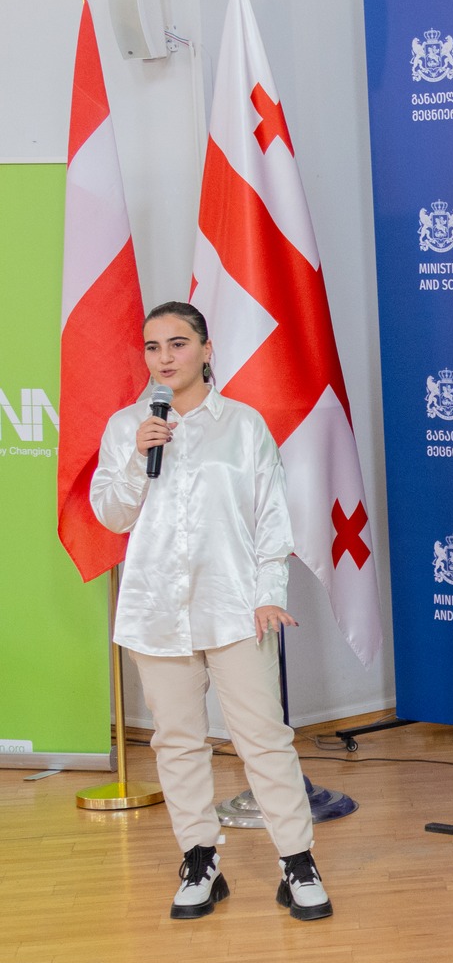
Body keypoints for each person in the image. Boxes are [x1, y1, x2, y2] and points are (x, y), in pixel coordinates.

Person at [91, 301, 334, 922]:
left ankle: (298, 862)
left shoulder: (244, 425)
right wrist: (137, 460)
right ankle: (200, 860)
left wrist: (270, 593)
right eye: (153, 347)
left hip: (236, 608)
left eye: (177, 343)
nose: (164, 358)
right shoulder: (128, 427)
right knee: (176, 741)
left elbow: (270, 516)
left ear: (205, 348)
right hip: (156, 611)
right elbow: (111, 515)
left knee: (264, 737)